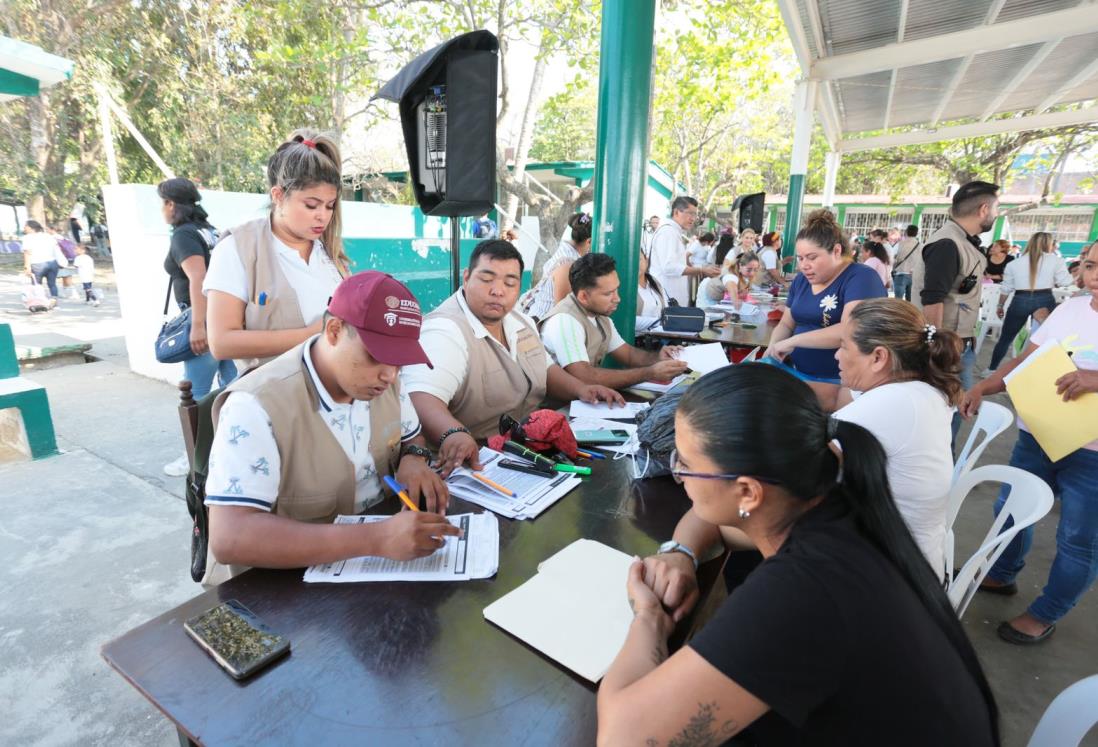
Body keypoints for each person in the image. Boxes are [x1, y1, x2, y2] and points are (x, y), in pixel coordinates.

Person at [598, 364, 999, 746]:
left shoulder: (805, 591)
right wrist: (680, 552)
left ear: (748, 492)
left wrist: (648, 617)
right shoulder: (832, 501)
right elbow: (714, 523)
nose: (677, 475)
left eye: (684, 463)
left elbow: (623, 738)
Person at [203, 271, 455, 586]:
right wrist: (375, 539)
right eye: (378, 356)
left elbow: (410, 435)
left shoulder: (383, 382)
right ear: (334, 330)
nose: (390, 376)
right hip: (282, 591)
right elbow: (231, 538)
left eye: (400, 361)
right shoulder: (255, 406)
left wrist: (415, 458)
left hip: (372, 567)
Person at [961, 241, 1098, 645]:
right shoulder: (1071, 309)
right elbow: (1027, 362)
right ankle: (1003, 573)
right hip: (1038, 433)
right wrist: (984, 387)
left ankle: (1045, 612)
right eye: (1090, 265)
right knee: (1011, 509)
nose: (1095, 275)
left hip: (1091, 456)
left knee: (1077, 538)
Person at [402, 240, 624, 473]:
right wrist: (454, 433)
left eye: (510, 283)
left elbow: (546, 369)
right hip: (471, 465)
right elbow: (421, 398)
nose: (498, 291)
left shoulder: (521, 321)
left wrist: (582, 390)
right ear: (466, 278)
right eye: (487, 279)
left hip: (524, 452)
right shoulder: (444, 330)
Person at [833, 299, 961, 578]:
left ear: (879, 357)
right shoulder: (919, 385)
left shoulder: (892, 403)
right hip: (916, 558)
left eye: (843, 346)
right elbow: (835, 395)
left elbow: (803, 467)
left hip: (892, 575)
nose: (836, 356)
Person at [205, 130, 348, 372]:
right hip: (271, 396)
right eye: (311, 205)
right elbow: (221, 342)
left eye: (329, 206)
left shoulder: (328, 251)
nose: (322, 215)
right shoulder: (238, 248)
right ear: (278, 195)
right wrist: (313, 335)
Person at [763, 209, 886, 410]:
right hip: (798, 375)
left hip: (841, 384)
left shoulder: (861, 278)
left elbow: (851, 331)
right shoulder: (801, 281)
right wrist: (774, 346)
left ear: (837, 251)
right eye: (800, 258)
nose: (804, 266)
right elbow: (787, 322)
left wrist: (792, 341)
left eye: (812, 257)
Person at [160, 177, 240, 476]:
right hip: (227, 320)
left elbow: (198, 279)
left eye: (163, 203)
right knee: (234, 389)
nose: (162, 209)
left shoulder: (184, 235)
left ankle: (194, 459)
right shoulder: (209, 231)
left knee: (193, 396)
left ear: (171, 204)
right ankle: (230, 450)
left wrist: (198, 326)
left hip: (205, 323)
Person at [915, 181, 997, 443]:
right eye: (996, 208)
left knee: (953, 416)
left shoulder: (961, 241)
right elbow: (932, 299)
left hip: (959, 342)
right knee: (944, 424)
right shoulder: (947, 244)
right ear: (984, 209)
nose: (996, 213)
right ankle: (940, 476)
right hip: (950, 347)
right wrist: (938, 350)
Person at [539, 253, 688, 388]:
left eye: (616, 290)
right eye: (608, 293)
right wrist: (650, 372)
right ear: (583, 296)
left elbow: (628, 354)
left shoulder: (601, 318)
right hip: (558, 410)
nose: (617, 299)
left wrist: (658, 357)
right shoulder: (565, 321)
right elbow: (584, 377)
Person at [985, 231, 1072, 374]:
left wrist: (1000, 306)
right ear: (1050, 245)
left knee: (1006, 338)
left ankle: (991, 369)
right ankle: (1033, 372)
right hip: (1045, 299)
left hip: (1020, 299)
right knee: (1044, 339)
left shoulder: (1014, 263)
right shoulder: (1056, 261)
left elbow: (1006, 289)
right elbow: (1066, 282)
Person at [647, 196, 719, 306]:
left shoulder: (674, 232)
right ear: (676, 212)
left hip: (671, 299)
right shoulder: (668, 232)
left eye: (695, 214)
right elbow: (669, 267)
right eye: (690, 213)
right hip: (666, 299)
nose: (693, 218)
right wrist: (702, 270)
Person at [520, 212, 593, 320]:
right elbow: (562, 308)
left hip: (537, 312)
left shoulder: (563, 249)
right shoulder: (568, 263)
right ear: (589, 241)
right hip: (544, 321)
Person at [696, 251, 763, 310]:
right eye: (749, 270)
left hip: (719, 293)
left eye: (755, 270)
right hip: (708, 293)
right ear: (740, 266)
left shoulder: (743, 273)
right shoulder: (731, 277)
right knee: (708, 317)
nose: (752, 273)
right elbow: (735, 299)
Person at [21, 220, 66, 299]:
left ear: (31, 228)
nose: (24, 228)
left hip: (37, 264)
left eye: (25, 226)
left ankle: (40, 302)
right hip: (52, 263)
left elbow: (27, 253)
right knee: (52, 284)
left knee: (37, 284)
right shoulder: (48, 236)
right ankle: (54, 302)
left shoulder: (27, 238)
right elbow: (56, 249)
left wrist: (27, 267)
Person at [636, 248, 668, 324]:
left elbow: (666, 309)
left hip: (660, 333)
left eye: (639, 259)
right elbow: (629, 321)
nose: (636, 263)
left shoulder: (654, 282)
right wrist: (658, 322)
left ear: (646, 261)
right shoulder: (624, 287)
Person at [892, 224, 921, 301]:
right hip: (914, 275)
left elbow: (893, 258)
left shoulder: (900, 244)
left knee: (898, 301)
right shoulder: (920, 245)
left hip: (900, 274)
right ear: (917, 233)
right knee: (910, 300)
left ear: (906, 232)